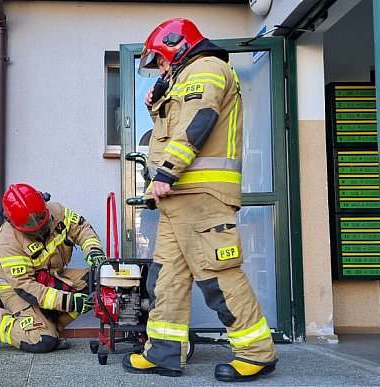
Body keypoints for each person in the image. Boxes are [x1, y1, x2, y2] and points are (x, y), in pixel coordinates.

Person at [121, 18, 278, 381]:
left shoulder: (207, 67)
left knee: (219, 279)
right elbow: (172, 128)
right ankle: (163, 351)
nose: (160, 68)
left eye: (160, 60)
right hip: (180, 198)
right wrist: (155, 105)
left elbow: (199, 119)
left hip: (200, 196)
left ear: (175, 46)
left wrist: (166, 172)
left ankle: (257, 353)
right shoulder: (184, 77)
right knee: (165, 279)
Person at [0, 183, 106, 353]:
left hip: (52, 276)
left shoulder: (56, 211)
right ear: (14, 223)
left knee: (99, 278)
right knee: (41, 341)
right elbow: (27, 287)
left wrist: (94, 252)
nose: (41, 227)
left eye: (42, 219)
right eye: (33, 228)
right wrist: (70, 302)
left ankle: (51, 328)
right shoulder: (8, 242)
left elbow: (82, 228)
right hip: (18, 290)